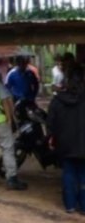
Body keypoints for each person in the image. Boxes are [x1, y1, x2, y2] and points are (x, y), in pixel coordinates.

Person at [47, 60, 85, 214]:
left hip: (65, 144)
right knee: (83, 175)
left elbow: (50, 123)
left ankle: (69, 205)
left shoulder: (57, 100)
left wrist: (52, 137)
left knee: (68, 173)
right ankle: (84, 205)